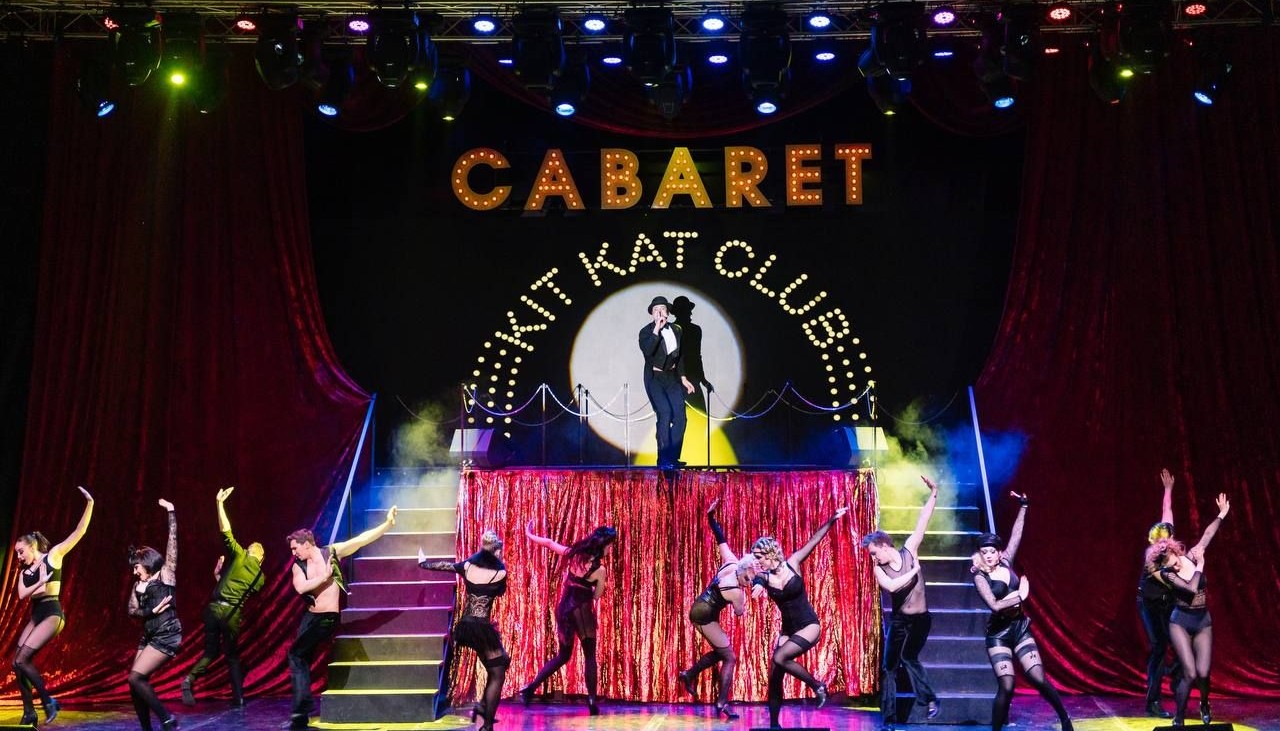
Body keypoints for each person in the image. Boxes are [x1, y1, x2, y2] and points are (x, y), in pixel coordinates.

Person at [285, 506, 399, 730]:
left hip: (325, 618)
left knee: (296, 655)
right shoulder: (298, 566)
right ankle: (301, 714)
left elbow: (360, 540)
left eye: (295, 548)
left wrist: (386, 525)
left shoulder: (331, 552)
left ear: (306, 544)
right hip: (310, 618)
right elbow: (301, 588)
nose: (293, 553)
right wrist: (324, 577)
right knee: (300, 657)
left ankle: (302, 708)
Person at [971, 492, 1072, 731]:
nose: (989, 555)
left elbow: (1016, 535)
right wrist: (1020, 596)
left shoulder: (1006, 562)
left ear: (998, 552)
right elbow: (994, 605)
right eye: (984, 552)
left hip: (1019, 628)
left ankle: (1065, 719)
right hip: (998, 633)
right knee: (1007, 686)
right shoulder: (980, 576)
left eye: (992, 551)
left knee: (1038, 678)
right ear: (980, 555)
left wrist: (1024, 506)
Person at [751, 506, 848, 730]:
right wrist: (758, 585)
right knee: (775, 674)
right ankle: (774, 725)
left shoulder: (793, 563)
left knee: (779, 657)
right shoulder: (763, 576)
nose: (758, 562)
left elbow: (814, 541)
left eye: (759, 557)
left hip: (808, 625)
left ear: (770, 554)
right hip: (788, 630)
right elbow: (759, 580)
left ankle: (817, 686)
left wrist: (831, 519)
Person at [10, 485, 94, 726]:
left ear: (32, 546)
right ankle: (29, 712)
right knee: (16, 663)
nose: (19, 557)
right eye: (17, 553)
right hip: (36, 615)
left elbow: (79, 532)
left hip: (51, 614)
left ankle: (48, 701)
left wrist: (90, 504)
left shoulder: (53, 556)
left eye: (21, 552)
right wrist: (41, 582)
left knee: (23, 660)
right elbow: (22, 595)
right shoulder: (24, 572)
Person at [862, 475, 940, 730]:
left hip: (921, 620)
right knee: (889, 668)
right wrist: (914, 571)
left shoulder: (909, 550)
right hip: (899, 621)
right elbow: (893, 587)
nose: (873, 558)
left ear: (884, 545)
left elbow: (922, 522)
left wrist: (934, 493)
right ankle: (889, 721)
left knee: (910, 657)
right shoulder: (879, 570)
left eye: (874, 553)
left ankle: (930, 699)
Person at [1145, 492, 1229, 726]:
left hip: (1202, 621)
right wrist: (1201, 565)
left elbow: (1207, 535)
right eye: (1166, 564)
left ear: (1174, 551)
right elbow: (1191, 589)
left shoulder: (1191, 555)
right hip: (1180, 622)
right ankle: (1179, 718)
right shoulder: (1167, 574)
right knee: (1189, 672)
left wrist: (1222, 514)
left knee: (1203, 673)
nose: (1172, 565)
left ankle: (1204, 703)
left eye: (1171, 559)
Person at [519, 522, 619, 715]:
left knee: (563, 655)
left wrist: (530, 535)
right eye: (609, 546)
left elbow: (549, 543)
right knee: (590, 655)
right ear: (602, 546)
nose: (610, 549)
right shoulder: (600, 569)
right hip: (581, 610)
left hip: (565, 609)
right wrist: (595, 585)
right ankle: (591, 701)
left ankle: (530, 688)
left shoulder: (574, 555)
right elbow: (597, 595)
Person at [181, 487, 265, 708]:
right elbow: (240, 593)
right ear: (261, 559)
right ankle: (238, 698)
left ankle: (189, 679)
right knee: (232, 656)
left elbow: (226, 531)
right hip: (230, 615)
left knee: (211, 651)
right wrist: (222, 577)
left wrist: (219, 504)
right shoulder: (260, 578)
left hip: (212, 610)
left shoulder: (240, 556)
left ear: (249, 550)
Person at [417, 530, 509, 731]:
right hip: (481, 628)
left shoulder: (467, 566)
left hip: (466, 626)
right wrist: (499, 560)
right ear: (496, 550)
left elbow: (445, 566)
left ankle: (483, 706)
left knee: (498, 664)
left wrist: (424, 563)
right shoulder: (500, 572)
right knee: (498, 672)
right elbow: (501, 591)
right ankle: (487, 724)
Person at [676, 499, 758, 720]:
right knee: (730, 657)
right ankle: (722, 702)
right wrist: (743, 599)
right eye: (747, 579)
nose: (748, 582)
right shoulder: (736, 592)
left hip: (701, 607)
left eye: (751, 580)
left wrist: (711, 517)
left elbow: (720, 537)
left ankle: (689, 674)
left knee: (721, 652)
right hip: (703, 615)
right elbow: (739, 612)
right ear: (742, 571)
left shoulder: (731, 561)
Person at [127, 499, 181, 731]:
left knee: (135, 678)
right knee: (135, 684)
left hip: (167, 633)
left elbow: (172, 542)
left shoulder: (165, 575)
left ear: (146, 563)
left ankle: (168, 719)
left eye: (136, 567)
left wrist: (171, 511)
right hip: (149, 635)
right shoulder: (137, 585)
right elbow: (132, 611)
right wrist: (151, 610)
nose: (134, 571)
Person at [1138, 468, 1181, 717]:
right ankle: (1152, 701)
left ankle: (1173, 674)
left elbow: (1167, 512)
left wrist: (1168, 490)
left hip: (1166, 603)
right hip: (1149, 604)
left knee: (1180, 642)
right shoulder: (1152, 555)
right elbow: (1162, 578)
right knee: (1159, 646)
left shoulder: (1169, 539)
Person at [639, 295, 695, 469]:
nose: (659, 312)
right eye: (655, 310)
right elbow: (648, 351)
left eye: (662, 309)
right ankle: (663, 459)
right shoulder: (646, 332)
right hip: (655, 378)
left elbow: (680, 356)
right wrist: (657, 328)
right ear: (652, 314)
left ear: (668, 312)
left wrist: (684, 378)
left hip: (672, 377)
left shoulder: (677, 330)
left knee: (681, 417)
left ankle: (673, 457)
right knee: (665, 413)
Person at [668, 296, 715, 415]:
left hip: (683, 378)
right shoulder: (688, 330)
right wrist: (703, 380)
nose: (690, 313)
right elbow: (696, 357)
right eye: (688, 311)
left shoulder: (692, 330)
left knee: (692, 415)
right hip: (680, 378)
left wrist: (703, 380)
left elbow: (697, 356)